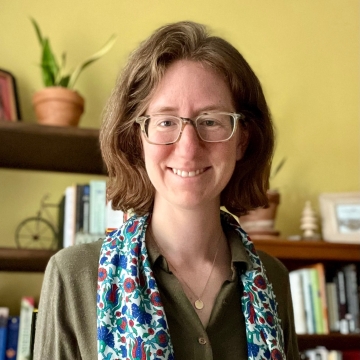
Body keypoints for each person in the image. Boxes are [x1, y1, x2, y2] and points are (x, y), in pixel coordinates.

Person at [34, 21, 299, 359]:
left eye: (211, 120)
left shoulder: (273, 279)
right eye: (165, 121)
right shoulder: (74, 277)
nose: (188, 147)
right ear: (136, 138)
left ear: (242, 140)